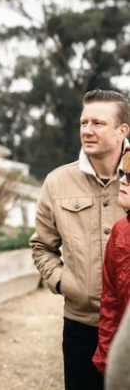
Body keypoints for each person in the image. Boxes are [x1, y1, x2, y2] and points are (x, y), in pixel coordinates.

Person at [30, 89, 130, 390]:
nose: (87, 130)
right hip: (80, 324)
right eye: (83, 123)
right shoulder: (57, 182)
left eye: (98, 123)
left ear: (122, 130)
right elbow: (42, 245)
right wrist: (65, 282)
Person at [93, 150, 130, 374]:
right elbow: (111, 303)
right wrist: (108, 360)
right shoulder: (120, 231)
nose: (123, 180)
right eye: (122, 173)